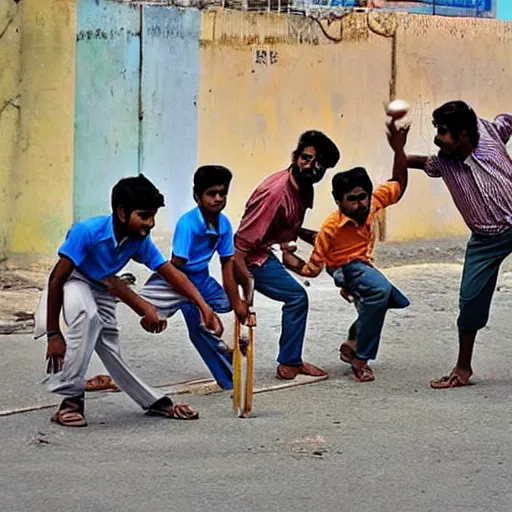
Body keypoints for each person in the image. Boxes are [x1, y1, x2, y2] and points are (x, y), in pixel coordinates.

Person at [36, 174, 222, 426]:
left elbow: (171, 273)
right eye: (144, 216)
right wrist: (53, 334)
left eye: (153, 216)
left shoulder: (138, 241)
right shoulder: (87, 232)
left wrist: (204, 307)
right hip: (73, 281)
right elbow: (57, 279)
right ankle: (70, 400)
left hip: (101, 286)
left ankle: (153, 401)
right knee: (87, 316)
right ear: (122, 213)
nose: (151, 223)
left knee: (110, 344)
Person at [281, 119, 410, 382]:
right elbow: (312, 269)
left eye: (363, 196)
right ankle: (361, 359)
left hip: (363, 263)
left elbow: (399, 182)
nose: (360, 204)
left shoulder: (371, 204)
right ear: (338, 201)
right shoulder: (331, 228)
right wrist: (288, 260)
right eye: (352, 199)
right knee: (380, 290)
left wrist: (399, 150)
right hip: (342, 268)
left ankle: (353, 340)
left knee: (390, 300)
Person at [406, 101, 512, 389]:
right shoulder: (444, 162)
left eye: (442, 132)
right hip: (485, 240)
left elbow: (505, 121)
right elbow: (418, 163)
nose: (437, 139)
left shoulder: (487, 133)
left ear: (464, 134)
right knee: (470, 300)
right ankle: (463, 368)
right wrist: (397, 151)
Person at [234, 130, 340, 380]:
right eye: (306, 158)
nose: (311, 167)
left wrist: (313, 237)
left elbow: (285, 227)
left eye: (319, 164)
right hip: (250, 257)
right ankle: (289, 363)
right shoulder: (276, 193)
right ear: (296, 157)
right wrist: (245, 291)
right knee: (296, 298)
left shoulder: (302, 185)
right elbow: (240, 246)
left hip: (268, 249)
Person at [140, 165, 249, 390]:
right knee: (200, 329)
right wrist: (197, 303)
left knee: (228, 308)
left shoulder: (224, 224)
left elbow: (227, 265)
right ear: (197, 196)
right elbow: (176, 267)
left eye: (223, 193)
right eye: (211, 194)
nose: (218, 199)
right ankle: (229, 379)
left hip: (202, 277)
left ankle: (229, 353)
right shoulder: (187, 224)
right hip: (180, 279)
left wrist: (238, 301)